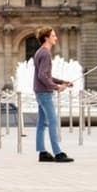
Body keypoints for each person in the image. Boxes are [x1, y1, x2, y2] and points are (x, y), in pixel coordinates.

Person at [33, 26, 74, 163]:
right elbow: (42, 76)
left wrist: (62, 82)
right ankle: (58, 153)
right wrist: (57, 87)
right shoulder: (45, 54)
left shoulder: (40, 52)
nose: (56, 38)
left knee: (41, 123)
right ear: (46, 38)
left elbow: (46, 75)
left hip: (40, 91)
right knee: (52, 122)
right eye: (53, 36)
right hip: (44, 93)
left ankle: (42, 152)